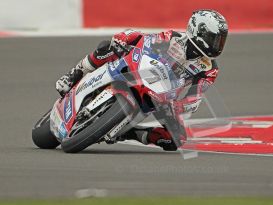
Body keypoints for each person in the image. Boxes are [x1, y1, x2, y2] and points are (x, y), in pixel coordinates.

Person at [56, 9, 228, 151]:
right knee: (106, 47)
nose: (217, 45)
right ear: (198, 32)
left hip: (163, 96)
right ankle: (75, 73)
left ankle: (129, 132)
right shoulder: (173, 37)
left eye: (220, 40)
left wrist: (177, 106)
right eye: (214, 39)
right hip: (140, 70)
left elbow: (195, 97)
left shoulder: (210, 69)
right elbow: (143, 38)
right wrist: (125, 38)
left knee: (176, 139)